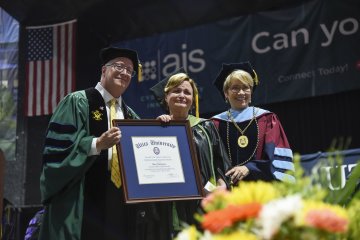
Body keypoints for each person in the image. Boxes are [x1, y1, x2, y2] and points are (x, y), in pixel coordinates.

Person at [38, 46, 151, 240]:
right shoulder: (77, 102)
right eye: (119, 66)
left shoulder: (131, 116)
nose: (125, 73)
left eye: (130, 70)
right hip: (82, 196)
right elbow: (56, 152)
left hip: (120, 201)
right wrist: (96, 144)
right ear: (104, 70)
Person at [150, 68, 231, 238]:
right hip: (168, 203)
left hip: (203, 201)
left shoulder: (206, 127)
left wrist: (222, 186)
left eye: (187, 92)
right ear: (166, 97)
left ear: (192, 101)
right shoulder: (156, 129)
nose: (182, 95)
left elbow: (221, 162)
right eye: (176, 91)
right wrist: (157, 130)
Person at [211, 62, 295, 184]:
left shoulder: (267, 119)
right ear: (226, 93)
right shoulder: (215, 123)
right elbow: (211, 161)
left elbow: (276, 158)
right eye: (235, 88)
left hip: (262, 190)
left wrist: (249, 168)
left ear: (251, 92)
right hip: (228, 191)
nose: (241, 93)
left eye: (246, 87)